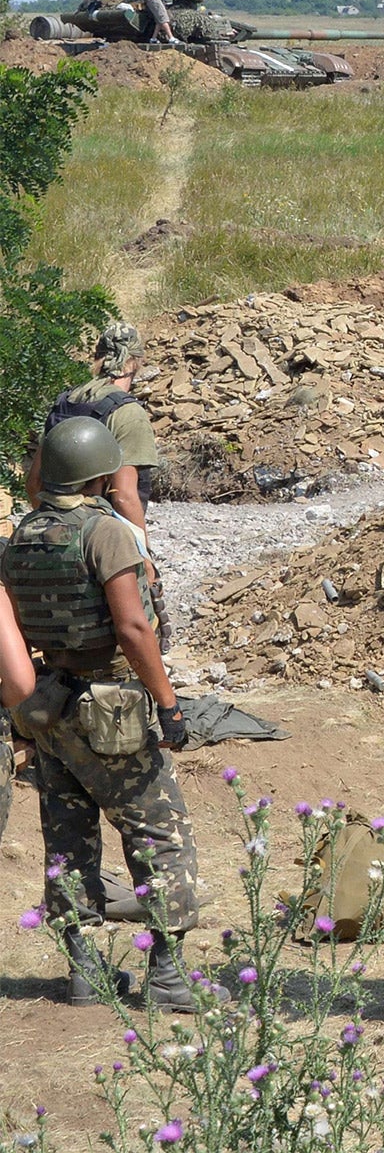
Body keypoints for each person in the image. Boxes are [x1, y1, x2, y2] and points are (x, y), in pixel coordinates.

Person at [0, 416, 197, 1010]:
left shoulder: (23, 535)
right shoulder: (104, 532)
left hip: (51, 706)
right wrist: (169, 706)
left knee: (68, 838)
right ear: (100, 471)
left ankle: (84, 972)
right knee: (161, 833)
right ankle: (166, 976)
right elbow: (134, 627)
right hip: (111, 708)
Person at [36, 321, 162, 533]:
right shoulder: (128, 413)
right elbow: (123, 497)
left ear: (98, 357)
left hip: (51, 537)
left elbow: (34, 483)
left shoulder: (66, 402)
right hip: (102, 540)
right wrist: (144, 555)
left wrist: (56, 532)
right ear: (136, 362)